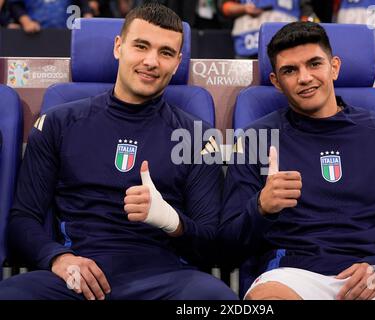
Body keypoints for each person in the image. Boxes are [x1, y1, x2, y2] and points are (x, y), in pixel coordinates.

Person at [0, 3, 237, 300]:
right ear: (118, 47)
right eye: (141, 46)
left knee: (217, 299)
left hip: (164, 281)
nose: (151, 61)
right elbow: (23, 220)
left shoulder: (198, 136)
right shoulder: (58, 123)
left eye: (165, 53)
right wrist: (58, 259)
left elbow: (212, 244)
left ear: (177, 63)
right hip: (76, 278)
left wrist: (172, 221)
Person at [219, 21, 375, 300]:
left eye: (314, 63)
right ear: (276, 83)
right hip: (296, 275)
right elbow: (227, 245)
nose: (304, 77)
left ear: (334, 66)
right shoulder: (254, 138)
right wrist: (261, 208)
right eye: (290, 70)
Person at [219, 0, 316, 58]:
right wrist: (244, 8)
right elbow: (224, 6)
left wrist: (303, 38)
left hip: (286, 47)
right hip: (247, 47)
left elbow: (306, 12)